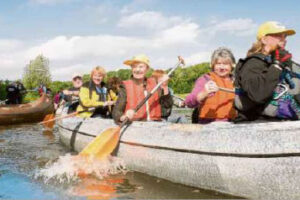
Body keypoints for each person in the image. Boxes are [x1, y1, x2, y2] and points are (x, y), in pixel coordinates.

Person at [234, 21, 298, 122]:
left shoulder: (281, 61)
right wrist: (277, 65)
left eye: (284, 36)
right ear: (264, 39)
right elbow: (258, 94)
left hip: (282, 123)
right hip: (256, 126)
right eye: (278, 35)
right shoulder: (252, 63)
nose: (284, 39)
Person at [112, 54, 173, 123]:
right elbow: (116, 111)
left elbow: (167, 106)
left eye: (141, 67)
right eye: (134, 67)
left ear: (147, 69)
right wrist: (123, 117)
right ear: (131, 69)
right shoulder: (125, 86)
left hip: (156, 123)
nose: (137, 70)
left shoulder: (155, 83)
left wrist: (165, 87)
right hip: (135, 124)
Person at [184, 47, 237, 124]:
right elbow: (188, 102)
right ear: (213, 65)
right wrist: (204, 93)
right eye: (218, 64)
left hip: (233, 124)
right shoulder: (205, 79)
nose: (222, 67)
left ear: (232, 65)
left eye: (225, 64)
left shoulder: (237, 82)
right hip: (208, 125)